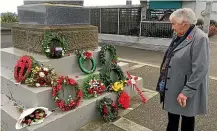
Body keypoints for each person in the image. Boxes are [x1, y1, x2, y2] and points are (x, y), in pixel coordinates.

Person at [156, 8, 210, 131]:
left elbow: (201, 69)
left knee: (187, 122)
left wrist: (186, 92)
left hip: (186, 89)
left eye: (173, 23)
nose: (172, 27)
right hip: (174, 86)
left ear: (184, 23)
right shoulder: (180, 35)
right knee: (172, 121)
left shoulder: (200, 38)